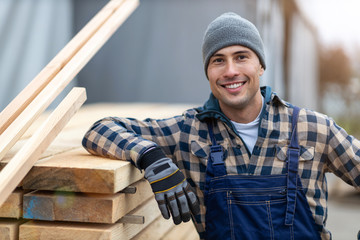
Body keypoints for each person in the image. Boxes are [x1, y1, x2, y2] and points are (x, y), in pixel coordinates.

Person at [82, 12, 360, 240]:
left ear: (260, 66)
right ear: (208, 72)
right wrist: (150, 158)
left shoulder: (313, 128)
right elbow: (100, 130)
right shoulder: (189, 131)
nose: (230, 71)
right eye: (218, 60)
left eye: (241, 56)